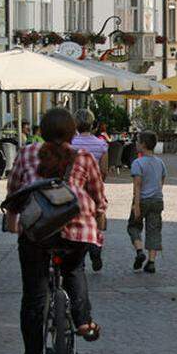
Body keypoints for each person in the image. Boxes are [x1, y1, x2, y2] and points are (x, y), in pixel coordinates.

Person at [6, 108, 107, 354]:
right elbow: (98, 196)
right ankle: (84, 321)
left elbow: (14, 190)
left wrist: (13, 218)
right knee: (74, 271)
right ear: (74, 132)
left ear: (41, 130)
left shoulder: (27, 153)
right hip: (76, 232)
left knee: (34, 297)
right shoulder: (84, 158)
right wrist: (99, 212)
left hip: (37, 232)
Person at [72, 109, 110, 271]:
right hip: (94, 187)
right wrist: (99, 183)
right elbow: (104, 171)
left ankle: (79, 255)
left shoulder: (71, 143)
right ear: (92, 124)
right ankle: (96, 244)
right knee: (96, 218)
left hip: (75, 189)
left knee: (76, 221)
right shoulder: (101, 144)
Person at [128, 131, 167, 274]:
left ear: (143, 145)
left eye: (138, 141)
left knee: (133, 226)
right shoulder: (160, 162)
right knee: (154, 230)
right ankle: (151, 262)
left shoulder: (137, 163)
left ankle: (139, 251)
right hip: (157, 200)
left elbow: (137, 185)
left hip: (142, 200)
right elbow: (162, 180)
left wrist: (136, 205)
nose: (136, 144)